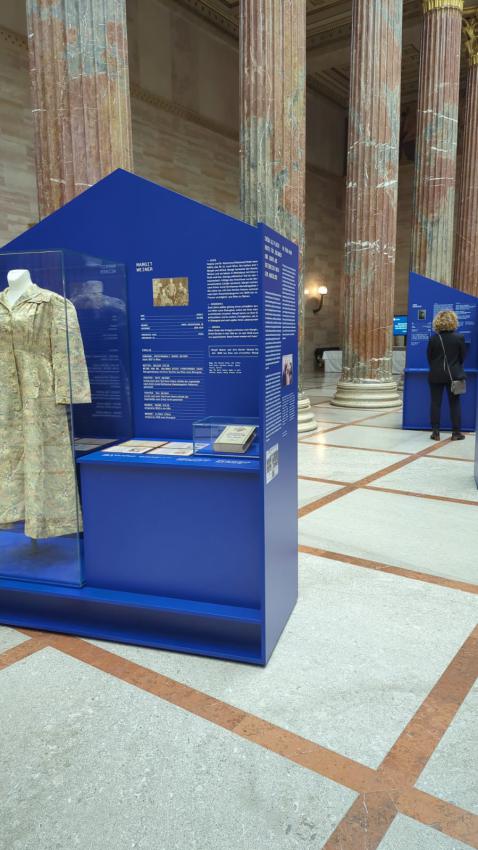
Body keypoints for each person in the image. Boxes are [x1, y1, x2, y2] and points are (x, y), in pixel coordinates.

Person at [427, 310, 466, 441]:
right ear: (453, 321)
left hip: (436, 375)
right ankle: (456, 433)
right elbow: (462, 358)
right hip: (455, 375)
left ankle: (435, 432)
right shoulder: (459, 338)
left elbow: (430, 357)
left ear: (437, 322)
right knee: (455, 403)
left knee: (435, 403)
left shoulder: (433, 338)